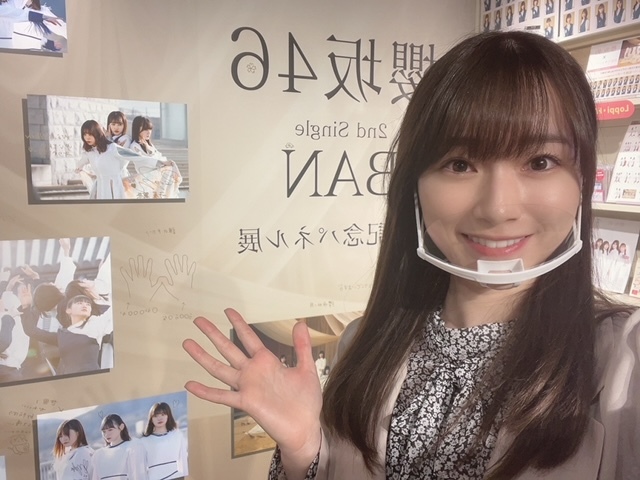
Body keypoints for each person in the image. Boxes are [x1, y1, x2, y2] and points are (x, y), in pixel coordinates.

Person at [183, 31, 640, 479]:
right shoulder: (363, 344)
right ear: (414, 187)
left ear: (582, 179)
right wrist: (306, 452)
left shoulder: (625, 361)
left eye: (540, 162)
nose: (498, 208)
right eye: (460, 164)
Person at [127, 116, 182, 199]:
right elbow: (143, 161)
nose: (148, 132)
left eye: (150, 129)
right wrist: (162, 162)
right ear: (137, 129)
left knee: (170, 166)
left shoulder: (148, 144)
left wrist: (149, 149)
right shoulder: (134, 146)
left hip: (155, 177)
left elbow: (159, 156)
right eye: (145, 129)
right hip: (146, 178)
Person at [140, 402, 188, 480]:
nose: (159, 418)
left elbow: (183, 459)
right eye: (156, 416)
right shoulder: (144, 441)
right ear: (151, 419)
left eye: (163, 414)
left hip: (175, 476)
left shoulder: (177, 435)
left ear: (168, 416)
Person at [91, 414, 147, 480]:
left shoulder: (132, 447)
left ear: (121, 427)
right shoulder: (98, 454)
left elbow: (138, 475)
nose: (106, 434)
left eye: (110, 430)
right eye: (104, 431)